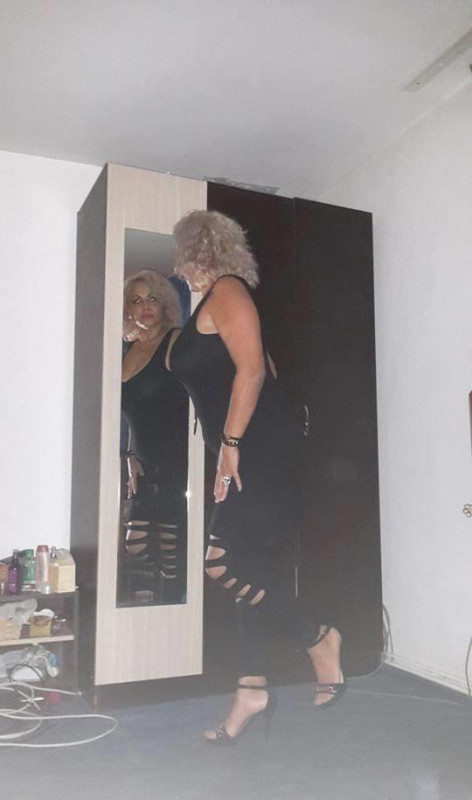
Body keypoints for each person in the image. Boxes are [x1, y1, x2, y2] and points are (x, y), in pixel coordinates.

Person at [168, 210, 345, 744]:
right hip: (246, 447)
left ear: (194, 251)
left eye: (182, 252)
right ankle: (250, 689)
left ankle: (318, 636)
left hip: (253, 449)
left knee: (222, 563)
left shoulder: (227, 289)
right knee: (244, 568)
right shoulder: (212, 303)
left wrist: (232, 445)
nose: (179, 263)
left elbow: (253, 371)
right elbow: (264, 369)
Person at [121, 269, 188, 605]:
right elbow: (124, 413)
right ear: (127, 309)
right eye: (136, 300)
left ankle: (175, 607)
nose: (145, 306)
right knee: (134, 543)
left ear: (164, 304)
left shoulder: (176, 340)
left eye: (152, 298)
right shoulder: (125, 350)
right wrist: (128, 453)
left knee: (170, 547)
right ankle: (168, 595)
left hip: (175, 460)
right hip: (144, 462)